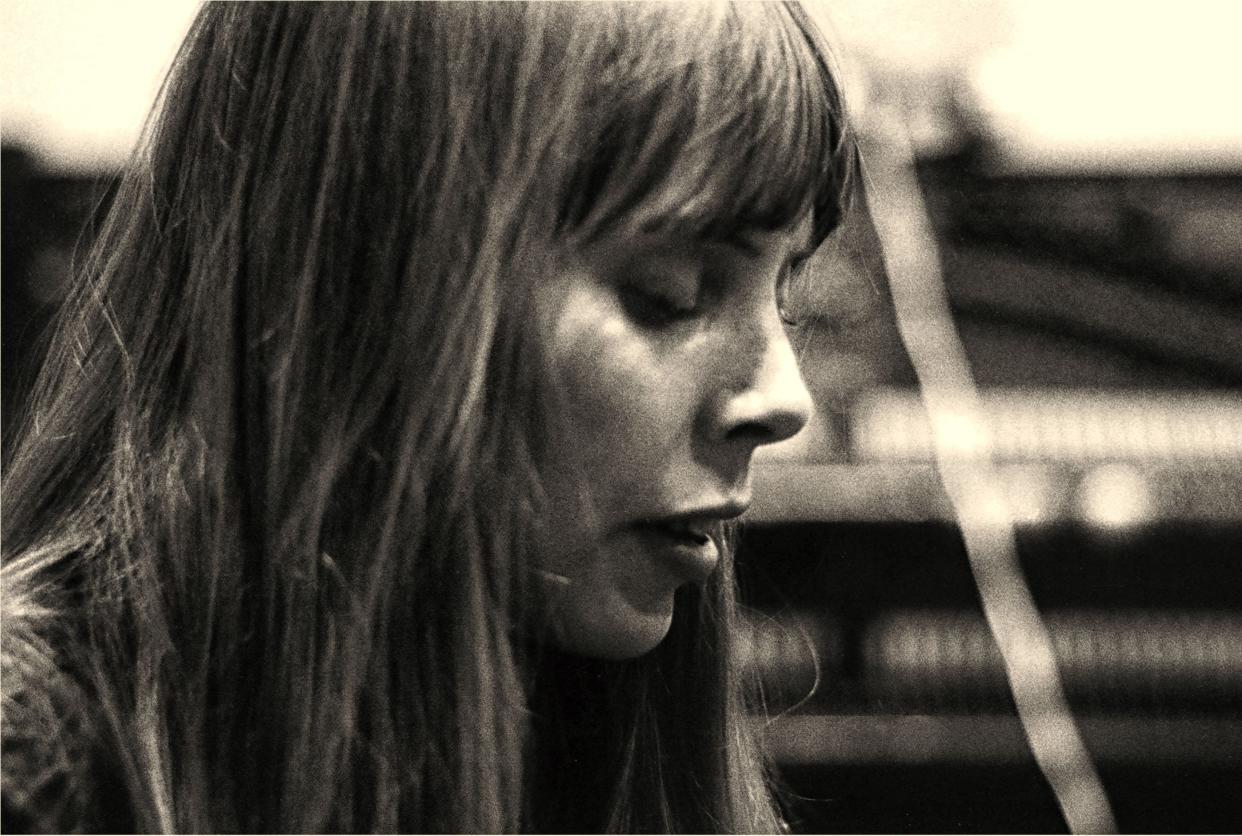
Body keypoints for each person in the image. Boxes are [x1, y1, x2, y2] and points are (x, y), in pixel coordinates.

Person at [1, 2, 857, 832]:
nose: (786, 402)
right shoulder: (34, 776)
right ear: (364, 283)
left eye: (786, 298)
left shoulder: (607, 742)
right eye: (669, 294)